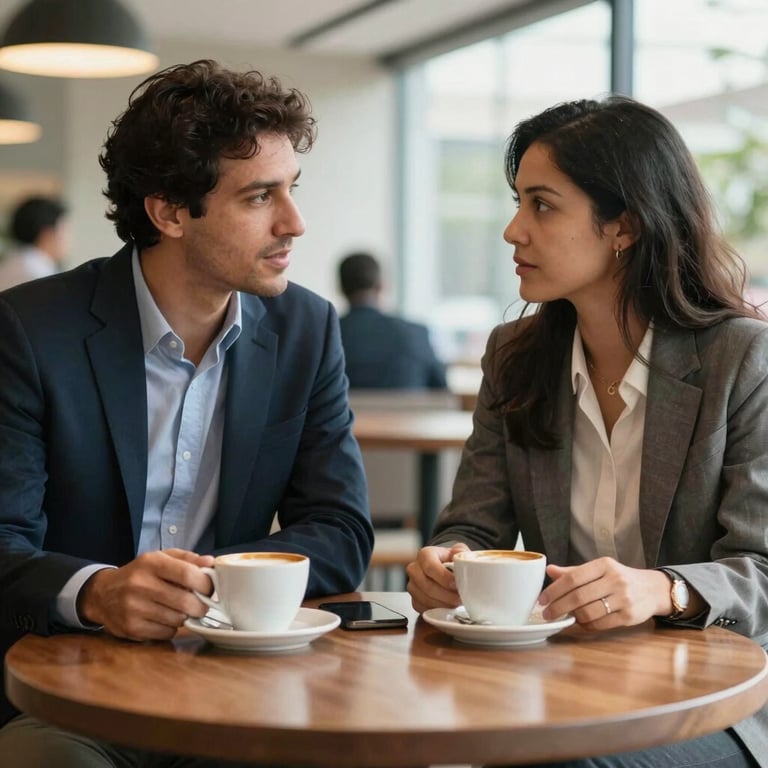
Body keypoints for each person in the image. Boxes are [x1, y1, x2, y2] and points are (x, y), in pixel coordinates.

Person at [0, 59, 373, 767]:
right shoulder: (28, 329)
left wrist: (206, 585)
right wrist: (101, 593)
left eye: (292, 190)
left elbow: (341, 528)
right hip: (68, 684)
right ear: (169, 211)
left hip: (239, 679)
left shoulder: (307, 330)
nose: (295, 222)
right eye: (261, 196)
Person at [406, 96, 767, 768]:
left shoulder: (742, 360)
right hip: (560, 684)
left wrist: (664, 589)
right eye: (518, 202)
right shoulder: (514, 356)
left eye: (541, 205)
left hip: (718, 700)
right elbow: (474, 529)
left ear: (623, 226)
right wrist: (446, 562)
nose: (513, 231)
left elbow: (763, 570)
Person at [338, 251, 447, 389]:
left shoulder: (324, 337)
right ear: (381, 286)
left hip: (346, 411)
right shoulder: (416, 334)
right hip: (410, 411)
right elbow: (441, 390)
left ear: (341, 288)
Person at [0, 195, 69, 290]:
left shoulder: (13, 262)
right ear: (47, 234)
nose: (68, 237)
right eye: (65, 230)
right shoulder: (40, 276)